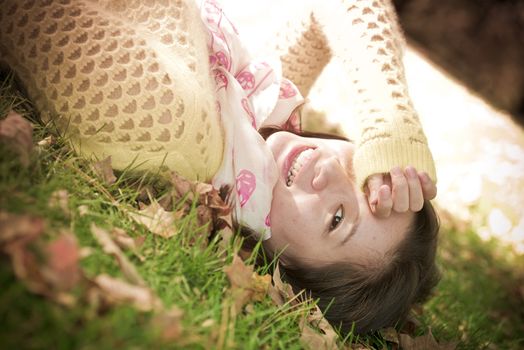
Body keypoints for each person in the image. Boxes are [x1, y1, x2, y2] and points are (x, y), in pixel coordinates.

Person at [0, 0, 439, 335]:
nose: (333, 174)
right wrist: (389, 119)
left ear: (281, 268)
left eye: (338, 218)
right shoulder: (253, 119)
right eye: (365, 175)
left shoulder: (174, 128)